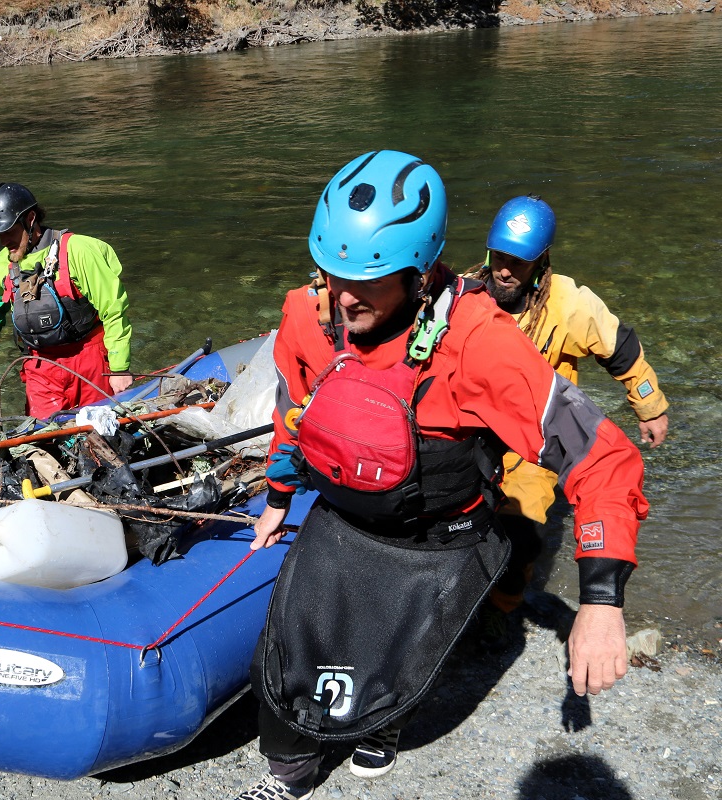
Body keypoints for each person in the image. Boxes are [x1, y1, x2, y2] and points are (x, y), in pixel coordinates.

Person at [237, 151, 648, 800]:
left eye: (369, 281)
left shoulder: (480, 341)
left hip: (437, 538)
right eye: (332, 273)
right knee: (285, 652)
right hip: (343, 519)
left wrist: (600, 600)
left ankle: (383, 727)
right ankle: (287, 776)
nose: (344, 297)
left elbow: (602, 457)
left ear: (421, 272)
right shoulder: (307, 315)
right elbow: (294, 408)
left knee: (398, 663)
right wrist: (278, 496)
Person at [471, 194, 669, 625]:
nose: (504, 270)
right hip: (474, 431)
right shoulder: (468, 297)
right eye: (499, 257)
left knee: (520, 539)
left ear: (541, 261)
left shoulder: (568, 304)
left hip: (533, 442)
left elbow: (620, 349)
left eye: (518, 262)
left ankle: (501, 612)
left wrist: (650, 407)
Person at [0, 183, 134, 419]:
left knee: (98, 431)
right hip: (40, 367)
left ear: (30, 219)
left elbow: (114, 309)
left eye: (9, 230)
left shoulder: (78, 250)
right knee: (43, 433)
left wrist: (119, 369)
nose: (3, 240)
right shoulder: (4, 263)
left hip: (89, 360)